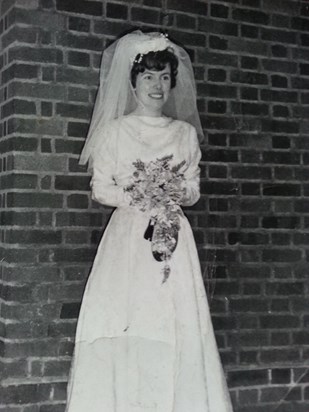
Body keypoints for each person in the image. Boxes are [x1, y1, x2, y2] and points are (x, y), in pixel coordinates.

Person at [65, 30, 233, 412]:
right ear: (133, 82)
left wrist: (174, 194)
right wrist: (140, 196)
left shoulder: (184, 134)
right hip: (129, 240)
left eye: (164, 77)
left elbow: (193, 189)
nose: (157, 86)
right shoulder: (115, 132)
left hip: (173, 236)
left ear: (173, 82)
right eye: (148, 77)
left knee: (174, 319)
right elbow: (101, 188)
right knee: (131, 318)